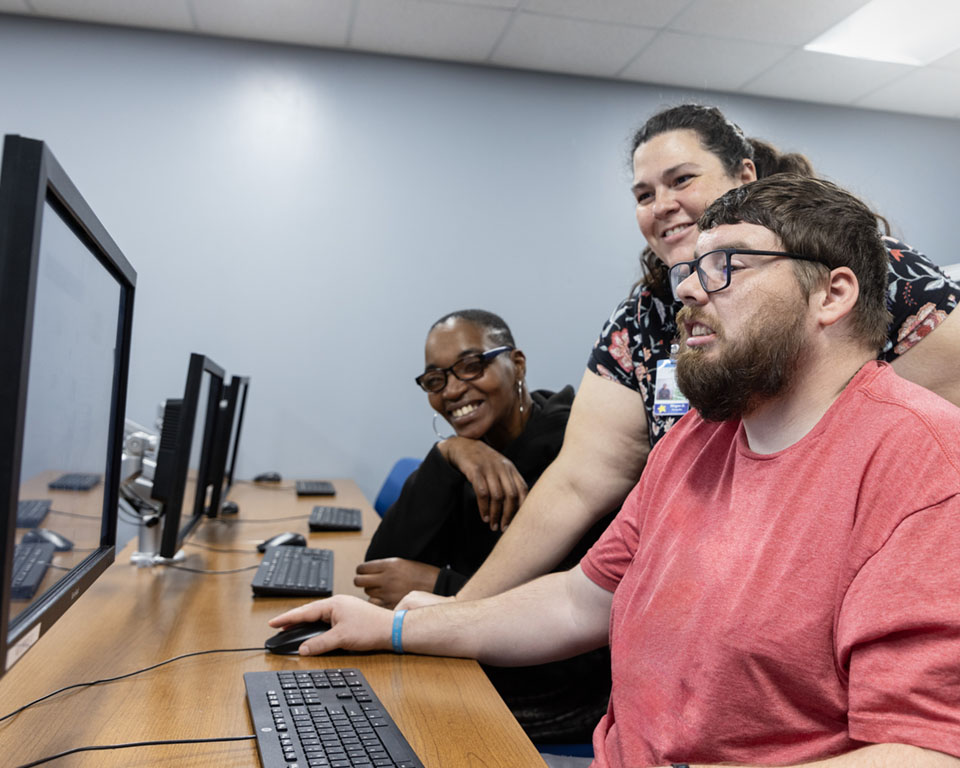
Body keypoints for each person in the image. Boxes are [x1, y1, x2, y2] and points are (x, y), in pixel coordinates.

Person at [270, 175, 960, 767]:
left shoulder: (922, 464)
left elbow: (921, 752)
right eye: (691, 269)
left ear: (832, 295)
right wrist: (394, 629)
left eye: (725, 266)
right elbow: (581, 600)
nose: (688, 288)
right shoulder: (697, 438)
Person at [397, 103, 960, 610]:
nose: (663, 206)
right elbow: (576, 483)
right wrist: (461, 607)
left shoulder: (866, 273)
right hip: (696, 599)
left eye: (682, 180)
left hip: (829, 593)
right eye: (644, 195)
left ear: (744, 176)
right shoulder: (644, 320)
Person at [356, 308, 613, 743]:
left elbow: (580, 617)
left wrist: (443, 588)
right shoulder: (470, 452)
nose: (454, 390)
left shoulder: (577, 456)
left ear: (517, 364)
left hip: (556, 692)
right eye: (436, 380)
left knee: (367, 726)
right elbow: (379, 573)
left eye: (471, 366)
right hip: (475, 659)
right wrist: (449, 453)